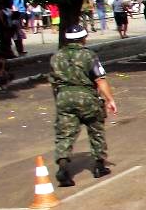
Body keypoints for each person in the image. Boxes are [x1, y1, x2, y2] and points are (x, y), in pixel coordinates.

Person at [49, 25, 117, 186]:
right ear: (84, 38)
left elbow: (53, 83)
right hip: (87, 97)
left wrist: (59, 101)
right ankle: (99, 165)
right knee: (96, 129)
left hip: (63, 97)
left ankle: (63, 167)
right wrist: (110, 99)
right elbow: (100, 79)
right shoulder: (89, 56)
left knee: (65, 134)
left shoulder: (56, 57)